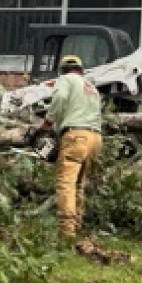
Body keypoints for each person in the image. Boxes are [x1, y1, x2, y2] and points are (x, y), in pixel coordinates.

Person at [37, 54, 103, 239]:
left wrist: (47, 124)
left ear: (62, 70)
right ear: (81, 70)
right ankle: (77, 223)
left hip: (76, 136)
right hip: (95, 138)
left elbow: (59, 99)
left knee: (65, 182)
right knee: (79, 184)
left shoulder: (65, 80)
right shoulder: (91, 87)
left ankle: (66, 232)